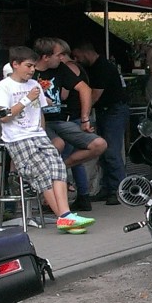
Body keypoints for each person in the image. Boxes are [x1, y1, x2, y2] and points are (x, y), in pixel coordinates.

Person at [0, 47, 94, 234]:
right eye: (28, 66)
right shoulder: (4, 86)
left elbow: (39, 113)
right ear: (15, 64)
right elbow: (3, 117)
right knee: (43, 173)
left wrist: (42, 132)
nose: (32, 70)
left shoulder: (34, 84)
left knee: (58, 167)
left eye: (33, 66)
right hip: (18, 138)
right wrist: (26, 100)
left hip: (37, 134)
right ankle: (64, 217)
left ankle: (66, 216)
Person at [34, 37, 107, 213]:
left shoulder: (61, 68)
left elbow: (85, 89)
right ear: (45, 57)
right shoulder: (29, 71)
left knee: (99, 144)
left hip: (60, 120)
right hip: (38, 121)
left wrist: (85, 118)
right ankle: (49, 193)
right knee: (58, 144)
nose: (63, 58)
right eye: (59, 55)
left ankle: (60, 168)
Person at [72, 40, 129, 205]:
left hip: (114, 110)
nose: (76, 60)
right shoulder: (95, 67)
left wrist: (83, 112)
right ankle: (107, 187)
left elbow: (94, 96)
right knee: (103, 152)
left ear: (85, 52)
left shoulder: (103, 67)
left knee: (111, 150)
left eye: (77, 56)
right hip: (106, 110)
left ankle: (118, 190)